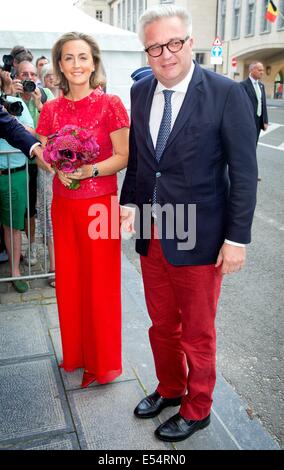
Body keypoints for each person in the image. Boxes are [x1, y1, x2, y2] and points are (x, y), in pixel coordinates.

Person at [120, 5, 257, 443]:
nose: (166, 54)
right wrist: (128, 207)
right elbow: (142, 162)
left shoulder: (224, 93)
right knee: (161, 324)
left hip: (201, 237)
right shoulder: (141, 93)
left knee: (198, 331)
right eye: (155, 46)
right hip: (154, 233)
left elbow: (243, 172)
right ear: (147, 51)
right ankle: (171, 388)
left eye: (174, 43)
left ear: (190, 42)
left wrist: (236, 239)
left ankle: (198, 408)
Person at [36, 32, 129, 388]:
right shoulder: (50, 109)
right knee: (71, 283)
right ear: (60, 64)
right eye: (69, 58)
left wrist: (89, 170)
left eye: (83, 57)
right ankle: (75, 353)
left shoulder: (112, 105)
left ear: (94, 62)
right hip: (64, 205)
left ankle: (102, 361)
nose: (77, 64)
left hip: (101, 205)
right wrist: (56, 166)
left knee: (101, 286)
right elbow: (46, 155)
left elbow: (123, 156)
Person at [14, 61, 54, 265]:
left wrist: (41, 104)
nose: (28, 78)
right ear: (17, 77)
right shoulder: (12, 96)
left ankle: (48, 251)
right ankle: (32, 245)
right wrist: (12, 95)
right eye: (24, 74)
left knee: (46, 207)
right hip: (20, 161)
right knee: (27, 207)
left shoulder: (45, 93)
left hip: (43, 161)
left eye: (32, 74)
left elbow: (55, 124)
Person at [0, 95, 34, 293]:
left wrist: (10, 121)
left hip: (15, 175)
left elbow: (32, 133)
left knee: (12, 225)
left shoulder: (15, 102)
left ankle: (15, 272)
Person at [240, 62, 268, 182]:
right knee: (246, 147)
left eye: (262, 70)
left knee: (253, 147)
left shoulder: (261, 86)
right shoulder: (243, 86)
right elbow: (240, 106)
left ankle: (250, 172)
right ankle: (247, 172)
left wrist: (265, 120)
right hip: (246, 122)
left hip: (257, 122)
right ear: (252, 70)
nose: (262, 72)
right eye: (259, 70)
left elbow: (263, 104)